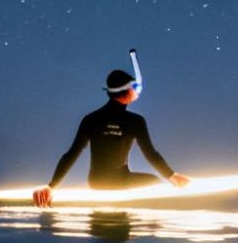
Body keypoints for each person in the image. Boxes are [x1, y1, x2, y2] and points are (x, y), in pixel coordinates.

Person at [33, 69, 190, 206]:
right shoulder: (136, 121)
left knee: (149, 182)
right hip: (120, 182)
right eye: (135, 87)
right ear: (128, 91)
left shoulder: (91, 119)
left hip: (96, 183)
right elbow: (150, 154)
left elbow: (71, 154)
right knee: (155, 182)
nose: (137, 91)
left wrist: (52, 186)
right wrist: (172, 176)